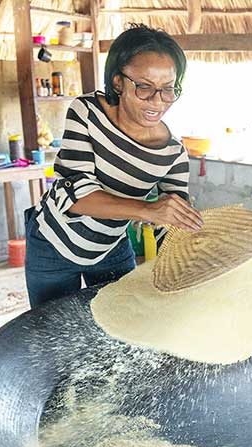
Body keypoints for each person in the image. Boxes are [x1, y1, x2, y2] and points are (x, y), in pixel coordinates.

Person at [25, 24, 203, 308]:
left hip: (110, 248)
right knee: (54, 333)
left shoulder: (173, 153)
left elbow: (171, 224)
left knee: (120, 327)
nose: (157, 101)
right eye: (144, 87)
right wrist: (148, 209)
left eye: (168, 89)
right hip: (53, 245)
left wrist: (192, 245)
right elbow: (76, 197)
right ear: (118, 81)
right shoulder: (86, 112)